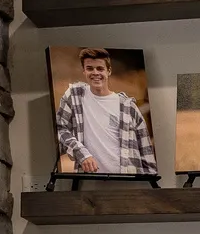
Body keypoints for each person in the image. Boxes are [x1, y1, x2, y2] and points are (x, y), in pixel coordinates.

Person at [54, 48, 156, 176]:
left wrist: (151, 181)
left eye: (100, 69)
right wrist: (82, 153)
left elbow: (145, 149)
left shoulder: (128, 106)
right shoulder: (74, 97)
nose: (95, 73)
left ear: (109, 71)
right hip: (89, 180)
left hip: (128, 179)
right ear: (84, 71)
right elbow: (61, 129)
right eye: (90, 68)